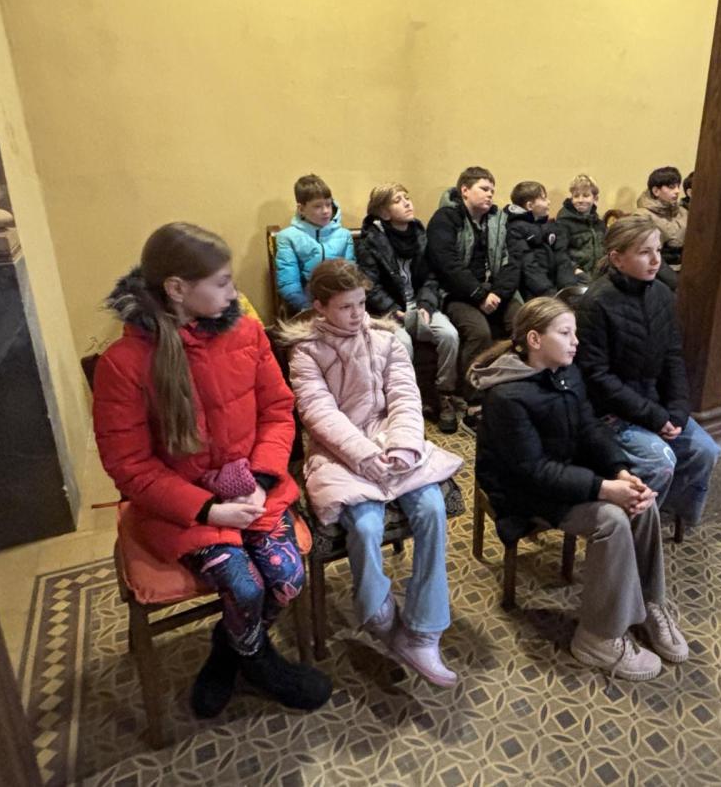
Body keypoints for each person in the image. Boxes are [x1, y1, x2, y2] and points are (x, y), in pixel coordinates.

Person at [91, 222, 331, 719]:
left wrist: (260, 481)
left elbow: (277, 411)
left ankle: (229, 648)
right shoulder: (125, 363)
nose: (234, 293)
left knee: (287, 576)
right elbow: (130, 467)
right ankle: (258, 661)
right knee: (245, 586)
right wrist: (208, 509)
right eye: (222, 283)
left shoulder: (247, 333)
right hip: (181, 509)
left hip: (254, 489)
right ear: (177, 289)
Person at [470, 297, 689, 680]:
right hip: (522, 490)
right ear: (534, 339)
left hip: (565, 473)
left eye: (575, 333)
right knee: (612, 521)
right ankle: (597, 638)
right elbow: (532, 471)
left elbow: (590, 429)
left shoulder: (566, 373)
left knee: (642, 504)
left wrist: (620, 472)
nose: (576, 342)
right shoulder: (506, 396)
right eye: (566, 333)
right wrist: (603, 489)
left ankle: (649, 602)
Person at [278, 259, 463, 687]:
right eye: (346, 307)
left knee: (432, 508)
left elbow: (404, 396)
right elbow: (319, 414)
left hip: (390, 438)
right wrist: (363, 455)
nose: (357, 313)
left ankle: (423, 629)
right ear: (320, 306)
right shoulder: (306, 350)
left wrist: (404, 444)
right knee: (364, 524)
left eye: (361, 303)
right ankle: (379, 613)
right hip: (337, 451)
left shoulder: (385, 338)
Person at [574, 216, 720, 525]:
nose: (656, 260)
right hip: (611, 412)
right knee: (659, 463)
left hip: (655, 405)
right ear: (617, 258)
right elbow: (597, 376)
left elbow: (672, 356)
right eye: (644, 252)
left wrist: (677, 411)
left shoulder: (662, 294)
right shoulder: (596, 303)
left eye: (658, 250)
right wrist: (654, 417)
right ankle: (632, 532)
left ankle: (666, 515)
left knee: (706, 450)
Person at [356, 182, 460, 432]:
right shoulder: (370, 241)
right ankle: (407, 402)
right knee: (402, 343)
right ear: (384, 212)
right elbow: (370, 286)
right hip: (389, 311)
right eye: (397, 200)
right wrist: (394, 310)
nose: (407, 203)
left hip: (420, 305)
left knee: (449, 335)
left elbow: (432, 277)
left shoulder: (420, 234)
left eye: (407, 197)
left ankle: (444, 394)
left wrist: (425, 303)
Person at [426, 166, 522, 426]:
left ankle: (516, 387)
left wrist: (498, 293)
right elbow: (446, 264)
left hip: (496, 292)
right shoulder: (446, 218)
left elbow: (513, 262)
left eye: (492, 190)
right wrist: (479, 294)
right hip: (458, 293)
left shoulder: (500, 220)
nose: (490, 194)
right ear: (465, 190)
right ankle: (474, 399)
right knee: (479, 332)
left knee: (524, 323)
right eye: (484, 188)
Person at [275, 173, 355, 313]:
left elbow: (351, 276)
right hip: (305, 306)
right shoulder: (288, 237)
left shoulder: (344, 235)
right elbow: (289, 284)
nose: (325, 211)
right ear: (301, 209)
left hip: (341, 305)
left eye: (328, 205)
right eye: (317, 206)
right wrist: (309, 309)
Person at [505, 180, 579, 297]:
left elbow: (562, 258)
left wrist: (568, 288)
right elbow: (528, 267)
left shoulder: (549, 226)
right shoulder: (515, 230)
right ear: (530, 206)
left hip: (555, 287)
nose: (549, 202)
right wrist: (549, 294)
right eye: (544, 199)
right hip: (536, 292)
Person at [634, 166, 689, 269]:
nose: (677, 191)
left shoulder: (684, 212)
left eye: (678, 186)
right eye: (671, 187)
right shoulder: (642, 216)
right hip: (656, 269)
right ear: (656, 191)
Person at [557, 174, 607, 279]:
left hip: (599, 274)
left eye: (585, 195)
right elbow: (559, 253)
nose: (580, 200)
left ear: (595, 199)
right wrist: (575, 269)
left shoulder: (600, 224)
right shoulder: (563, 223)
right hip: (576, 275)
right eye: (576, 196)